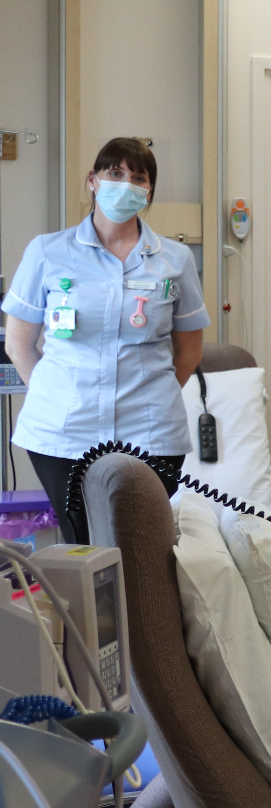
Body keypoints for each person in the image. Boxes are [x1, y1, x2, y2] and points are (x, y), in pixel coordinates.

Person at [2, 138, 210, 541]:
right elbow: (19, 345)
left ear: (148, 191)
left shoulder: (175, 259)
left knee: (143, 547)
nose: (125, 183)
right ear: (93, 181)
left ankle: (143, 608)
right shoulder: (48, 252)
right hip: (62, 431)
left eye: (138, 177)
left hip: (151, 431)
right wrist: (54, 394)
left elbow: (190, 350)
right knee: (84, 546)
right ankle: (90, 608)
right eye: (115, 173)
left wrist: (151, 395)